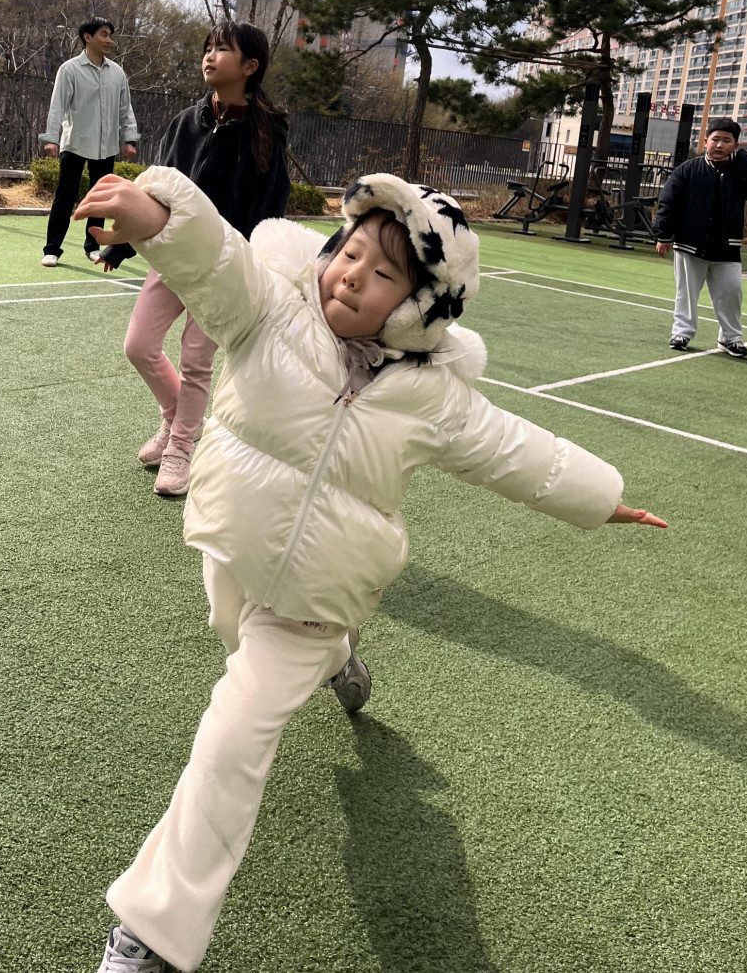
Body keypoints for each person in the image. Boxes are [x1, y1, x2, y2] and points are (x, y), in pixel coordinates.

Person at [74, 165, 666, 973]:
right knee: (227, 627)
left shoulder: (436, 398)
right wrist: (157, 214)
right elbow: (216, 263)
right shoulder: (270, 310)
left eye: (384, 271)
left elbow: (520, 453)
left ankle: (150, 932)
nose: (352, 273)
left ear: (422, 305)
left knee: (233, 734)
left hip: (318, 592)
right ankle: (341, 659)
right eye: (350, 251)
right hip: (234, 545)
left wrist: (604, 499)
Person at [95, 21, 290, 498]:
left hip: (224, 267)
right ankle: (177, 417)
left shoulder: (266, 130)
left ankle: (181, 447)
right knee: (138, 345)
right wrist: (122, 243)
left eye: (223, 49)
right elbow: (154, 190)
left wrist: (259, 259)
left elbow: (271, 201)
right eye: (208, 47)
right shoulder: (186, 121)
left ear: (250, 66)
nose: (210, 56)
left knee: (197, 360)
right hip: (173, 257)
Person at [654, 116, 747, 358]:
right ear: (705, 141)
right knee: (686, 293)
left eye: (727, 141)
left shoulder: (740, 173)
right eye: (715, 139)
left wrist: (740, 159)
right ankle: (682, 333)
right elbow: (668, 201)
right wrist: (663, 235)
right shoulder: (688, 169)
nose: (719, 145)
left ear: (735, 145)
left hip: (727, 246)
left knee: (732, 292)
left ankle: (730, 339)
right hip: (689, 243)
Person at [39, 16, 139, 267]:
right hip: (75, 143)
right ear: (87, 37)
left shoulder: (117, 73)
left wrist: (129, 139)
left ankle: (92, 246)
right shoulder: (69, 69)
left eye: (110, 35)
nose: (109, 40)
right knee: (65, 196)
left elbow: (125, 110)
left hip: (106, 146)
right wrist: (51, 138)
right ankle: (52, 250)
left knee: (100, 199)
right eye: (104, 34)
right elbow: (57, 105)